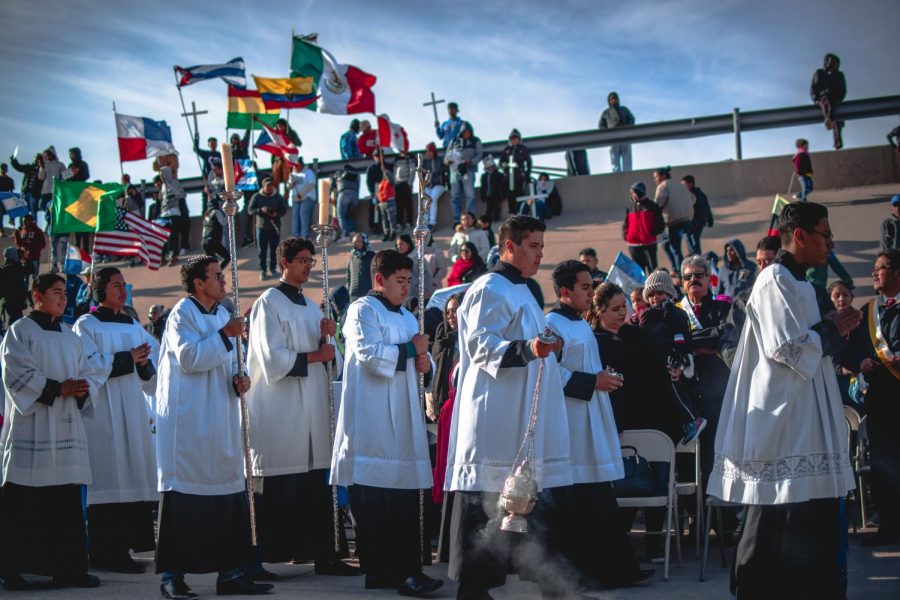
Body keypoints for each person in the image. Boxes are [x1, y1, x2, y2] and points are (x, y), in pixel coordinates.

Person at [709, 202, 859, 600]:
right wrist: (830, 327)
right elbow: (789, 350)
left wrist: (834, 329)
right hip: (781, 425)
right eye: (825, 234)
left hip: (806, 420)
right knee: (775, 519)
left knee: (809, 521)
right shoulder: (774, 278)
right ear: (800, 236)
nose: (831, 242)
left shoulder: (806, 285)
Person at [445, 215, 576, 599]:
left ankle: (499, 587)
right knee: (485, 507)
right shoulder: (490, 287)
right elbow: (481, 344)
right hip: (494, 418)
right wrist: (529, 348)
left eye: (540, 245)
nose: (540, 253)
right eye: (533, 245)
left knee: (511, 508)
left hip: (517, 418)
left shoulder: (523, 291)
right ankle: (472, 591)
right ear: (509, 246)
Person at [154, 256, 272, 598]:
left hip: (221, 417)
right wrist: (225, 335)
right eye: (216, 276)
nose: (223, 282)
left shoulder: (223, 314)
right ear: (198, 284)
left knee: (227, 492)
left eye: (223, 275)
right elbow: (189, 358)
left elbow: (236, 360)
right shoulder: (182, 314)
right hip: (189, 422)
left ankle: (231, 573)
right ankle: (172, 577)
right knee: (185, 496)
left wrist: (241, 379)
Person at [330, 249, 443, 597]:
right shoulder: (362, 310)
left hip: (403, 421)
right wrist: (411, 351)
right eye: (400, 281)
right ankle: (386, 571)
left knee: (402, 502)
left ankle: (401, 570)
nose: (406, 287)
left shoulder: (409, 318)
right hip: (372, 420)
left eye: (409, 281)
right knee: (375, 503)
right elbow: (368, 356)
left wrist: (427, 365)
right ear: (379, 279)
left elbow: (419, 357)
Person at [246, 237, 358, 575]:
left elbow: (332, 360)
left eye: (311, 261)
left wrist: (328, 336)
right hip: (280, 409)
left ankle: (324, 555)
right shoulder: (268, 303)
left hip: (311, 408)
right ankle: (264, 557)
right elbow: (271, 359)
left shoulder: (312, 308)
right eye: (302, 260)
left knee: (314, 484)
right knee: (282, 482)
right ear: (284, 262)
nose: (308, 266)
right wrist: (316, 355)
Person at [546, 261, 650, 589]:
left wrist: (602, 380)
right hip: (571, 423)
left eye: (592, 287)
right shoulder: (551, 325)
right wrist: (593, 381)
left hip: (591, 416)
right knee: (580, 499)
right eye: (585, 288)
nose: (591, 294)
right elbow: (548, 374)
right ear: (565, 292)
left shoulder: (579, 323)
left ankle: (616, 570)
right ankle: (584, 575)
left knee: (598, 496)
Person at [0, 273, 104, 591]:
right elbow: (16, 375)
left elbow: (88, 372)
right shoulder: (20, 331)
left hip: (66, 427)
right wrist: (59, 389)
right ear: (37, 296)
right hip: (33, 427)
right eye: (56, 292)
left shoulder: (71, 337)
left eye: (64, 293)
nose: (63, 298)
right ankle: (14, 569)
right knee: (24, 501)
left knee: (65, 502)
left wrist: (84, 388)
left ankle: (68, 569)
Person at [72, 268, 158, 573]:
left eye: (124, 285)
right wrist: (128, 358)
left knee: (133, 474)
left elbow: (151, 371)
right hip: (104, 413)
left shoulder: (133, 324)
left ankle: (127, 548)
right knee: (110, 477)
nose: (122, 291)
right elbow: (89, 365)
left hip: (132, 409)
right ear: (100, 290)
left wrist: (144, 363)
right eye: (115, 286)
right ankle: (105, 552)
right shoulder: (87, 324)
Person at [840, 250, 900, 547]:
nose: (875, 274)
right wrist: (861, 361)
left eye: (881, 268)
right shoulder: (868, 311)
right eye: (874, 269)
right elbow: (848, 350)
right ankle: (889, 525)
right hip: (881, 399)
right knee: (882, 463)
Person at [676, 255, 732, 495]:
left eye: (698, 275)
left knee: (716, 461)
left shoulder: (723, 308)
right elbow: (671, 343)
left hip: (717, 396)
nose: (693, 280)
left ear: (709, 279)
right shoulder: (675, 312)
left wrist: (688, 343)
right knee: (687, 467)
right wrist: (706, 346)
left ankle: (723, 527)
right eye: (687, 276)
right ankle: (692, 525)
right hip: (687, 401)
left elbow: (723, 335)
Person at [640, 270, 707, 445]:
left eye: (660, 293)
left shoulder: (676, 314)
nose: (655, 298)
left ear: (669, 293)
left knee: (675, 390)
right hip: (654, 363)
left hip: (671, 362)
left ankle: (693, 419)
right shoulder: (646, 315)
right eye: (652, 294)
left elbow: (683, 339)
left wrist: (681, 362)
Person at [720, 235, 781, 367]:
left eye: (769, 261)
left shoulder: (803, 291)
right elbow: (730, 346)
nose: (763, 268)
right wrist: (752, 368)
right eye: (759, 262)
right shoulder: (743, 301)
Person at [653, 167, 694, 272]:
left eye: (656, 177)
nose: (655, 180)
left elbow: (657, 204)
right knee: (670, 246)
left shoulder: (662, 186)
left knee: (675, 250)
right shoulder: (681, 185)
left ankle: (679, 272)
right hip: (688, 220)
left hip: (675, 222)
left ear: (662, 176)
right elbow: (693, 198)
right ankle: (678, 268)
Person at [248, 177, 288, 281]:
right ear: (263, 187)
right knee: (262, 250)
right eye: (268, 186)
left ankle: (273, 268)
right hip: (261, 227)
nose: (270, 188)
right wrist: (260, 210)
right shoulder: (256, 197)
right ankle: (263, 270)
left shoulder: (278, 197)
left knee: (275, 249)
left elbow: (284, 210)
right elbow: (250, 210)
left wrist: (276, 213)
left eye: (271, 185)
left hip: (275, 227)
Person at [623, 181, 664, 274]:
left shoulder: (653, 206)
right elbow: (626, 223)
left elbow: (661, 225)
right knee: (638, 271)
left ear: (639, 192)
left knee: (652, 269)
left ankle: (653, 288)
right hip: (633, 245)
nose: (632, 195)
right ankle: (641, 289)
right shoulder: (630, 207)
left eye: (633, 193)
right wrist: (626, 235)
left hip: (649, 244)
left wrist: (651, 233)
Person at [447, 122, 483, 225]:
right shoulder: (454, 141)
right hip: (455, 171)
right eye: (465, 132)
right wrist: (448, 161)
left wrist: (471, 161)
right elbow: (447, 155)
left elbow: (480, 154)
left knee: (470, 195)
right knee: (454, 196)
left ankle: (470, 219)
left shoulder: (476, 140)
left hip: (469, 171)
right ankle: (457, 221)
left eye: (468, 132)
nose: (467, 134)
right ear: (461, 132)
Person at [154, 154, 186, 267]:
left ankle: (174, 256)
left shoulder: (175, 183)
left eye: (162, 174)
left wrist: (169, 185)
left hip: (174, 212)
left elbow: (182, 195)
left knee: (173, 235)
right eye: (160, 174)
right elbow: (160, 199)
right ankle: (162, 257)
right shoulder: (162, 186)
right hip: (164, 214)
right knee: (161, 236)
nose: (161, 176)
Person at [39, 147, 68, 272]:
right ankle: (54, 265)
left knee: (62, 245)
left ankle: (62, 264)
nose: (48, 156)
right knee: (53, 247)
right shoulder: (44, 165)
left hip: (62, 226)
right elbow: (41, 177)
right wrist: (41, 167)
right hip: (47, 191)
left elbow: (66, 176)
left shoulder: (60, 164)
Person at [810, 53, 847, 150]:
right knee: (827, 100)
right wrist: (816, 100)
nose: (834, 64)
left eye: (836, 63)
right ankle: (828, 119)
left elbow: (843, 90)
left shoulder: (839, 75)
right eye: (832, 62)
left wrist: (838, 97)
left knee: (837, 116)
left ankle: (837, 140)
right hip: (823, 99)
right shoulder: (820, 73)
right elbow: (814, 88)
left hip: (835, 99)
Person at [598, 92, 635, 172]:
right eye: (612, 99)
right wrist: (607, 134)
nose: (614, 100)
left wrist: (628, 129)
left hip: (625, 137)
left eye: (615, 98)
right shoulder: (606, 112)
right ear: (609, 101)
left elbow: (632, 119)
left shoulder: (624, 110)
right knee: (614, 158)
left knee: (627, 157)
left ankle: (628, 173)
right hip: (612, 138)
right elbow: (601, 125)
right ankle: (616, 173)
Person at [499, 129, 532, 217]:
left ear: (519, 139)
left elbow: (529, 162)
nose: (514, 140)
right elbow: (501, 162)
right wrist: (505, 166)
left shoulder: (523, 149)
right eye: (512, 138)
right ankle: (512, 214)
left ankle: (520, 213)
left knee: (520, 194)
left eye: (516, 138)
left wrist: (528, 174)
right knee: (510, 196)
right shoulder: (507, 150)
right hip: (508, 178)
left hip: (519, 177)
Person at [0, 247, 31, 328]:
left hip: (6, 301)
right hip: (16, 300)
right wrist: (26, 257)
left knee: (13, 321)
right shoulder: (17, 267)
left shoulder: (2, 269)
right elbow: (31, 269)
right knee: (16, 323)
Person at [682, 175, 712, 255]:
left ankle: (695, 255)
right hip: (698, 222)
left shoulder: (692, 195)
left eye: (684, 184)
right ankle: (695, 254)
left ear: (690, 183)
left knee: (691, 237)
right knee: (693, 238)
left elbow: (705, 208)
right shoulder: (700, 193)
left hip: (695, 222)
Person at [289, 157, 317, 239]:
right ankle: (295, 235)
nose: (297, 167)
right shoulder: (292, 174)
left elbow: (311, 183)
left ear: (301, 165)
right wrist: (291, 183)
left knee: (303, 214)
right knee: (295, 216)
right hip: (296, 198)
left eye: (298, 165)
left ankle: (304, 234)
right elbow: (288, 187)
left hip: (307, 197)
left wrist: (302, 193)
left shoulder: (308, 172)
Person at [332, 164, 360, 241]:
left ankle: (345, 235)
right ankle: (352, 232)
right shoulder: (356, 175)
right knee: (349, 214)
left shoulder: (338, 173)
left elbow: (333, 186)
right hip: (355, 195)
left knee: (341, 215)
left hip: (344, 193)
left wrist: (333, 197)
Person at [10, 152, 43, 217]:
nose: (37, 161)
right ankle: (23, 224)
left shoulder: (42, 170)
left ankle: (33, 224)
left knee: (33, 208)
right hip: (26, 191)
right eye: (36, 159)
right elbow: (18, 167)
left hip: (35, 194)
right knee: (24, 208)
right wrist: (13, 160)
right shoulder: (29, 167)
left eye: (39, 159)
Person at [422, 142, 446, 230]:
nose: (428, 153)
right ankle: (425, 222)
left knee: (432, 199)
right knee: (424, 200)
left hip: (439, 185)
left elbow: (439, 170)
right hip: (428, 186)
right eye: (427, 151)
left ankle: (432, 223)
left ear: (433, 151)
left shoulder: (439, 160)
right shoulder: (425, 162)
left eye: (430, 151)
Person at [202, 196, 230, 269]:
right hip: (213, 240)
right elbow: (223, 222)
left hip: (204, 242)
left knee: (212, 263)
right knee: (227, 257)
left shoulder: (206, 215)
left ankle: (213, 276)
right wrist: (229, 214)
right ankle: (218, 274)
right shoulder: (216, 212)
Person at [393, 150, 416, 233]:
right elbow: (394, 171)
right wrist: (394, 183)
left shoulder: (410, 157)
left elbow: (412, 170)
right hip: (398, 184)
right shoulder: (397, 158)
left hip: (406, 183)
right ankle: (399, 224)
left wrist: (410, 183)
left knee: (408, 204)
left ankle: (409, 223)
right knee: (399, 205)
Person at [347, 232, 375, 302]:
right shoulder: (352, 258)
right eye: (355, 242)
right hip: (353, 296)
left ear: (365, 242)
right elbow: (349, 277)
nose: (357, 244)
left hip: (368, 295)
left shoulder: (372, 257)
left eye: (359, 241)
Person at [479, 156, 504, 224]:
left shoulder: (499, 175)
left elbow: (502, 185)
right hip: (488, 194)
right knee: (489, 209)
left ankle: (497, 219)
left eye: (491, 166)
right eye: (488, 167)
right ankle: (488, 220)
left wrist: (502, 194)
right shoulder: (484, 176)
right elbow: (483, 186)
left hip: (496, 194)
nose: (490, 168)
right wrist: (482, 195)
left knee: (497, 207)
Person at [376, 165, 398, 242]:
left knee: (391, 218)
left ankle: (393, 232)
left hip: (389, 201)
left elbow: (392, 180)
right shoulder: (380, 183)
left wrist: (386, 171)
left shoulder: (390, 181)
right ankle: (386, 232)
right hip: (382, 203)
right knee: (384, 219)